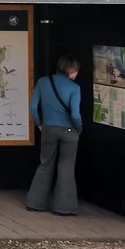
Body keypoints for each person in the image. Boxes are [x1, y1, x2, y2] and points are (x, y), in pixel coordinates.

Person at [26, 55, 83, 215]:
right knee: (66, 167)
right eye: (76, 71)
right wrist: (79, 129)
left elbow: (33, 107)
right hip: (69, 131)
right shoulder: (74, 88)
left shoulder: (43, 82)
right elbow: (75, 115)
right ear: (72, 71)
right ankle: (63, 207)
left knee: (45, 164)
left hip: (48, 129)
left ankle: (35, 203)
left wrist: (40, 124)